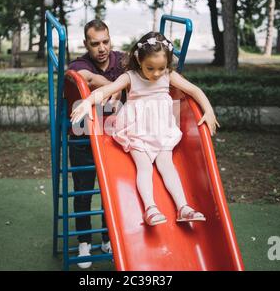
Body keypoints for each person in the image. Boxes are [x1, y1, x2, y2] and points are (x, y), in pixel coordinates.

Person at [70, 31, 220, 228]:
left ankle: (183, 207)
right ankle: (150, 208)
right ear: (139, 59)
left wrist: (208, 111)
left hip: (162, 130)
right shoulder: (130, 77)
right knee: (144, 167)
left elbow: (194, 90)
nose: (156, 73)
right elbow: (106, 90)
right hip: (137, 130)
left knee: (168, 166)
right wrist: (87, 102)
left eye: (161, 68)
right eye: (151, 68)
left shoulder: (168, 75)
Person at [68, 19, 125, 269]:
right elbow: (83, 78)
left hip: (113, 138)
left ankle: (106, 238)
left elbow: (145, 69)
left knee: (109, 193)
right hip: (83, 138)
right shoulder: (80, 63)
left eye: (106, 41)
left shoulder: (121, 60)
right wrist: (115, 87)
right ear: (86, 44)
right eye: (95, 44)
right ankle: (83, 242)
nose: (102, 48)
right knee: (83, 192)